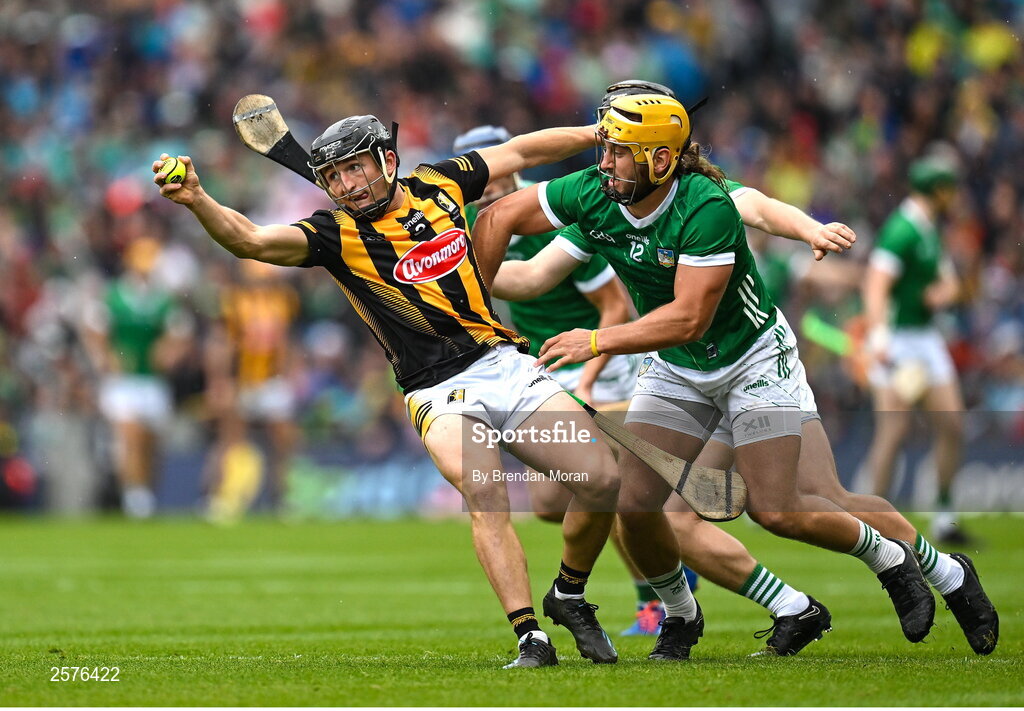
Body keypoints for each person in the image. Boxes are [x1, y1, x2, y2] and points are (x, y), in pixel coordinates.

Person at [153, 115, 661, 669]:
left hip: (505, 365)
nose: (346, 185)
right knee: (485, 490)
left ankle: (567, 593)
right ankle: (530, 638)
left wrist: (599, 134)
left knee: (600, 479)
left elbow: (518, 153)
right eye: (334, 176)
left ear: (388, 162)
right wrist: (199, 199)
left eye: (355, 169)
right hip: (439, 391)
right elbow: (248, 240)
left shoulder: (440, 186)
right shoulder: (332, 235)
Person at [473, 92, 949, 653]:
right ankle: (693, 612)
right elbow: (522, 268)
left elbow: (752, 223)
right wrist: (464, 302)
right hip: (678, 368)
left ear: (658, 157)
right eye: (604, 145)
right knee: (640, 505)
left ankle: (926, 569)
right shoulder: (596, 199)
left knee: (789, 505)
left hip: (749, 359)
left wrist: (808, 229)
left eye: (618, 150)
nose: (604, 162)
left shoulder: (704, 200)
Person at [454, 122, 700, 640]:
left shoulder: (552, 222)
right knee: (548, 503)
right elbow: (508, 293)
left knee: (609, 491)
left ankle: (657, 602)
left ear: (513, 165)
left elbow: (614, 306)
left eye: (495, 167)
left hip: (601, 366)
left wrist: (587, 377)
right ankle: (666, 568)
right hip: (550, 370)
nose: (488, 182)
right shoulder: (479, 227)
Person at [862, 150, 969, 544]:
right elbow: (875, 285)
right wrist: (879, 338)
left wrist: (942, 294)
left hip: (925, 340)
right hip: (898, 341)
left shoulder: (929, 227)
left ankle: (943, 516)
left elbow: (950, 283)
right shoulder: (902, 230)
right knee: (894, 430)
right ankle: (873, 524)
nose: (954, 195)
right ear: (937, 189)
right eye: (949, 188)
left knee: (952, 425)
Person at [82, 236, 190, 518]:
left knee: (150, 443)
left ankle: (143, 493)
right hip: (124, 382)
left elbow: (180, 334)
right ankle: (135, 500)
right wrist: (106, 357)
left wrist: (168, 351)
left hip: (152, 381)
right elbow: (94, 330)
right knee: (131, 434)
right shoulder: (114, 294)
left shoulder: (164, 298)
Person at [204, 258, 300, 520]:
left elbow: (286, 340)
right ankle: (218, 496)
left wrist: (291, 373)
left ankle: (282, 498)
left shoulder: (283, 300)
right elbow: (222, 343)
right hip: (242, 379)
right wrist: (220, 380)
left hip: (272, 379)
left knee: (283, 441)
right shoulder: (233, 301)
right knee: (230, 439)